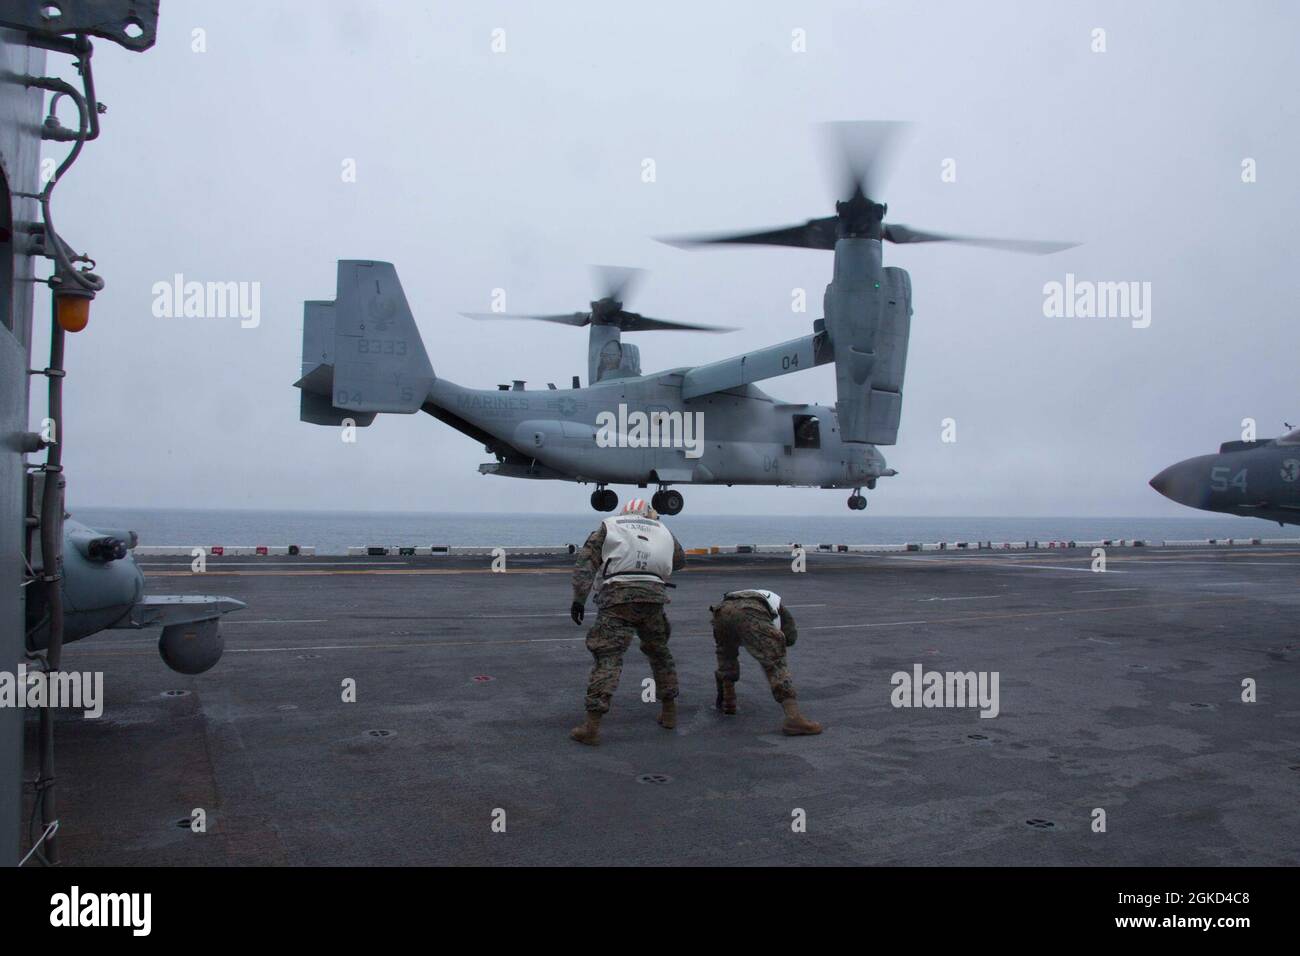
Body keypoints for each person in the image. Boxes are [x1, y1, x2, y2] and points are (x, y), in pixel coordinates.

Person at [568, 497, 686, 745]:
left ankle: (592, 726)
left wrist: (579, 598)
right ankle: (669, 713)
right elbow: (680, 560)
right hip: (654, 598)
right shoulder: (662, 529)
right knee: (660, 654)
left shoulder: (610, 525)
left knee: (608, 656)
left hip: (617, 599)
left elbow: (586, 563)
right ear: (649, 513)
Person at [710, 589, 822, 735]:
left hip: (721, 611)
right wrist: (776, 646)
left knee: (726, 654)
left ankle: (728, 701)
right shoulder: (779, 607)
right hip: (749, 611)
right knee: (775, 662)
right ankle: (794, 718)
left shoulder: (761, 595)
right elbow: (790, 636)